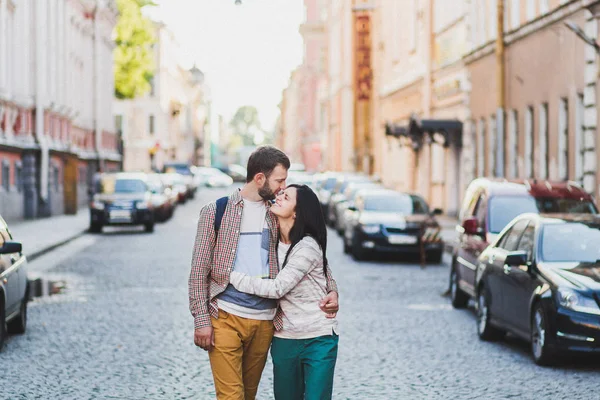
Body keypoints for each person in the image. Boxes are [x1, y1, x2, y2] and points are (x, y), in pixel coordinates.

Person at [188, 146, 339, 400]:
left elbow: (309, 253)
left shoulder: (276, 214)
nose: (283, 187)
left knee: (248, 394)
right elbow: (198, 270)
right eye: (280, 180)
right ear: (260, 179)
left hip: (266, 321)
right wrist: (201, 320)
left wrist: (332, 289)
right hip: (225, 315)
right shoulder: (216, 212)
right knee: (231, 396)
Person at [229, 184, 339, 400]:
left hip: (317, 338)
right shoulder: (270, 241)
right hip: (284, 338)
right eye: (280, 193)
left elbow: (278, 288)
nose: (278, 197)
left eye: (286, 197)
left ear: (297, 212)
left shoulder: (307, 246)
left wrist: (232, 277)